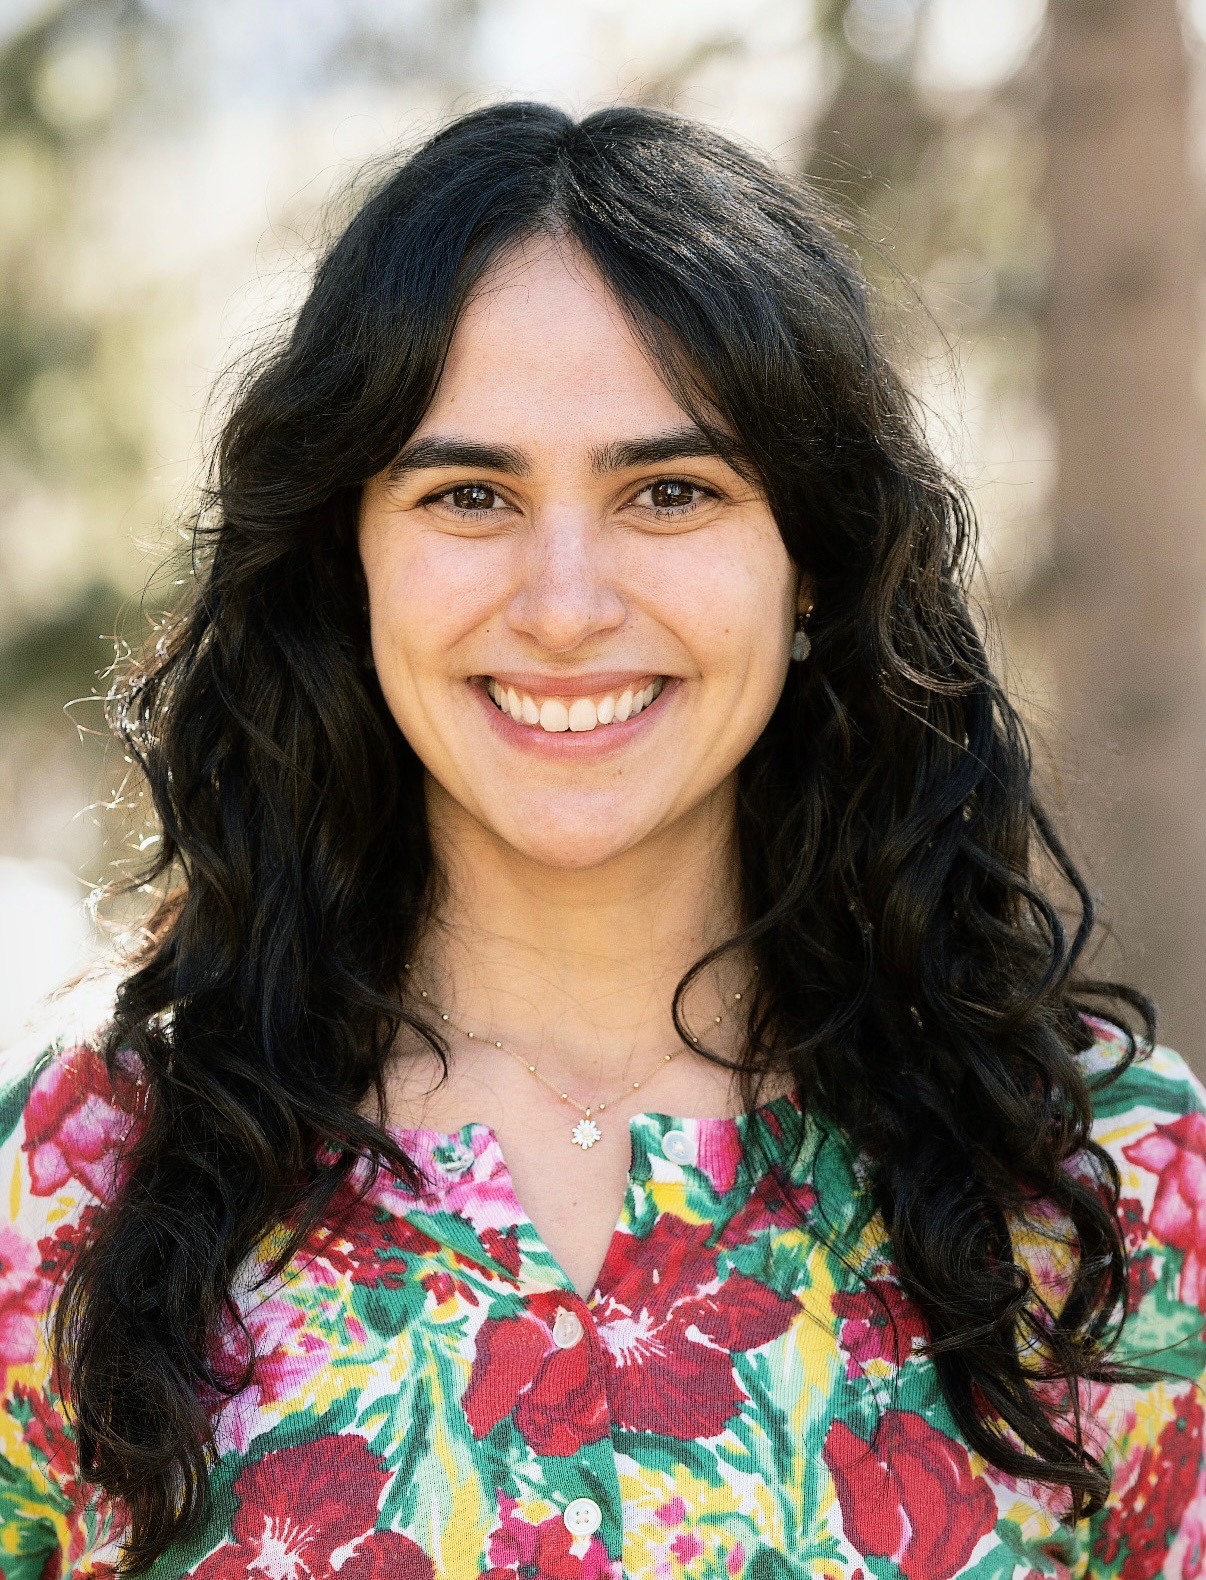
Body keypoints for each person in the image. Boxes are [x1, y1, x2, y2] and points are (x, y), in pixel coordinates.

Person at [0, 101, 1202, 1580]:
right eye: (468, 494)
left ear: (809, 564)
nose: (564, 602)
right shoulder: (80, 1190)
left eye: (670, 491)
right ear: (346, 558)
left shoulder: (1105, 1187)